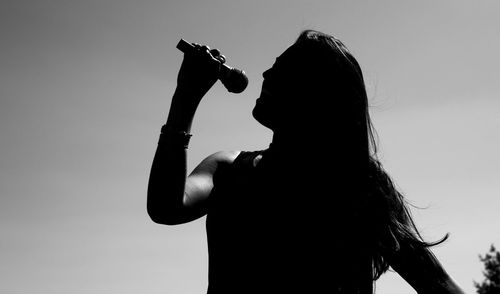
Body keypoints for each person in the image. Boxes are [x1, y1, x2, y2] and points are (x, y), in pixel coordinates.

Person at [147, 30, 466, 294]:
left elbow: (437, 285)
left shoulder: (361, 186)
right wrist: (186, 95)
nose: (265, 73)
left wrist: (186, 99)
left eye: (281, 70)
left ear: (315, 94)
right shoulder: (228, 168)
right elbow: (165, 206)